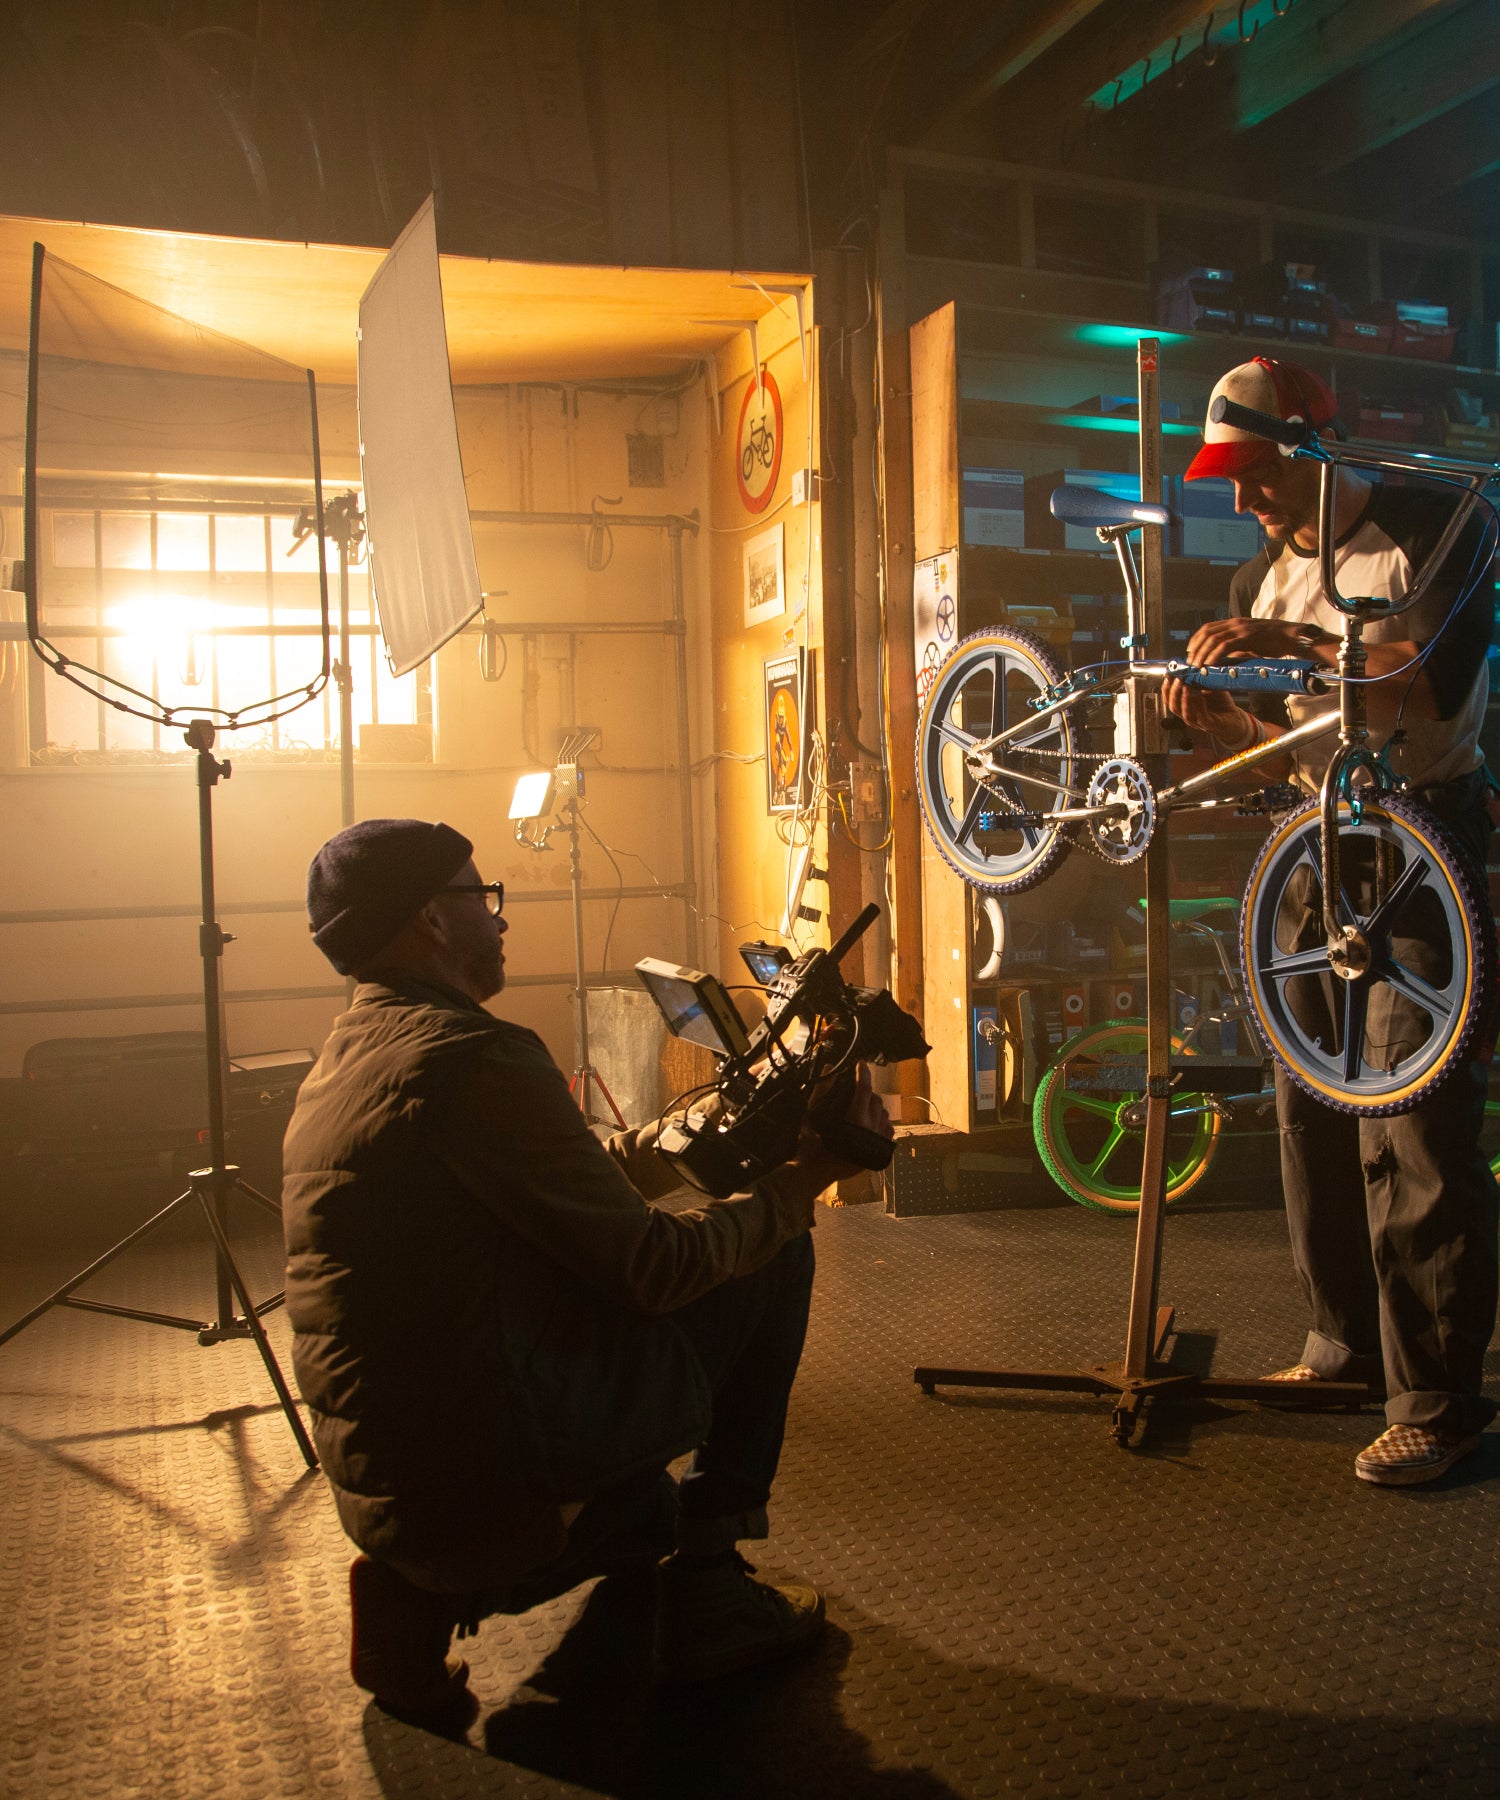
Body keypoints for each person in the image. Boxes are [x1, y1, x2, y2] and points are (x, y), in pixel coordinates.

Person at [281, 817, 892, 1723]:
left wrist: (705, 1119)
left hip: (401, 1473)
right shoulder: (472, 1058)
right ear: (429, 922)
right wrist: (805, 1180)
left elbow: (571, 1181)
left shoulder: (356, 1053)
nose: (498, 920)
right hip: (480, 1484)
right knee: (770, 1258)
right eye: (479, 897)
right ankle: (709, 1583)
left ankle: (417, 1593)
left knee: (726, 1247)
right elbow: (651, 1266)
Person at [1163, 355, 1498, 1487]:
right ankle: (1345, 1346)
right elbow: (1271, 752)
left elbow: (1425, 691)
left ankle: (1439, 1398)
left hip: (1418, 846)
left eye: (1256, 471)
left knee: (1412, 1119)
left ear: (1316, 446)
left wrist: (1308, 650)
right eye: (1231, 477)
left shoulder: (1434, 530)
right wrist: (1208, 711)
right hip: (1314, 847)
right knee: (1308, 1107)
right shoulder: (1268, 578)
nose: (1241, 496)